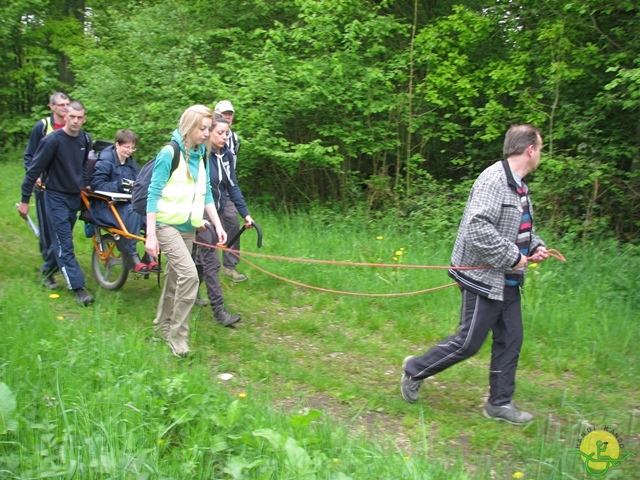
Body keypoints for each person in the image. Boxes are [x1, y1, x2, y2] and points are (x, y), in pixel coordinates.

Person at [400, 124, 550, 425]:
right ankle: (415, 369)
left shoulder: (520, 186)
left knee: (511, 339)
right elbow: (477, 230)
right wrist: (513, 257)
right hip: (483, 278)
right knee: (468, 342)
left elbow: (519, 228)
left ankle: (500, 403)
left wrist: (535, 245)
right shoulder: (493, 181)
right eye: (541, 148)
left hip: (507, 279)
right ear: (530, 150)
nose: (541, 154)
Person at [145, 105, 227, 358]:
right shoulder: (169, 153)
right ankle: (178, 338)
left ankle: (160, 328)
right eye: (202, 128)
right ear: (189, 126)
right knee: (190, 276)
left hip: (188, 228)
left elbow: (205, 192)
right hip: (165, 226)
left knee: (174, 278)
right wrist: (150, 235)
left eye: (207, 128)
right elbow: (153, 194)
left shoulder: (200, 153)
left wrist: (217, 224)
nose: (206, 133)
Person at [18, 101, 95, 306]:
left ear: (84, 119)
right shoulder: (52, 140)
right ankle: (78, 288)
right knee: (65, 243)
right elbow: (33, 170)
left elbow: (82, 166)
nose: (76, 121)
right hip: (54, 196)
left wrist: (85, 184)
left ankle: (46, 272)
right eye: (72, 117)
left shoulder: (86, 139)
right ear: (65, 116)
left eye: (80, 118)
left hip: (73, 197)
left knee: (59, 241)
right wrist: (25, 200)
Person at [195, 116, 254, 326]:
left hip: (217, 212)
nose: (224, 137)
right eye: (220, 133)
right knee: (211, 261)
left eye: (227, 133)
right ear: (209, 133)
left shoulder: (227, 155)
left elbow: (232, 186)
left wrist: (245, 213)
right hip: (200, 214)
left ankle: (190, 293)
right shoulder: (202, 156)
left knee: (203, 259)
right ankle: (219, 310)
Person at [90, 129, 156, 273]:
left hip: (125, 202)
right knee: (133, 212)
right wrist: (119, 186)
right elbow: (97, 185)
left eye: (132, 148)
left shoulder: (131, 164)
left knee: (152, 212)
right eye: (127, 147)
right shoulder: (106, 160)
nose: (130, 151)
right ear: (117, 145)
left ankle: (149, 254)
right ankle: (130, 254)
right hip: (105, 206)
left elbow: (138, 183)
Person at [22, 92, 69, 275]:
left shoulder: (72, 126)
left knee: (62, 227)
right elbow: (29, 156)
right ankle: (49, 264)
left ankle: (54, 262)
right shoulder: (42, 127)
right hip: (44, 185)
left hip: (65, 186)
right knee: (47, 227)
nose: (65, 108)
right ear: (52, 107)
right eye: (61, 105)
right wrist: (35, 177)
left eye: (67, 104)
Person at [214, 100, 247, 283]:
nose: (227, 116)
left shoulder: (233, 139)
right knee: (206, 229)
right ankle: (199, 267)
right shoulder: (206, 136)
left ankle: (229, 266)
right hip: (208, 190)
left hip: (226, 188)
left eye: (230, 114)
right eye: (223, 113)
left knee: (232, 221)